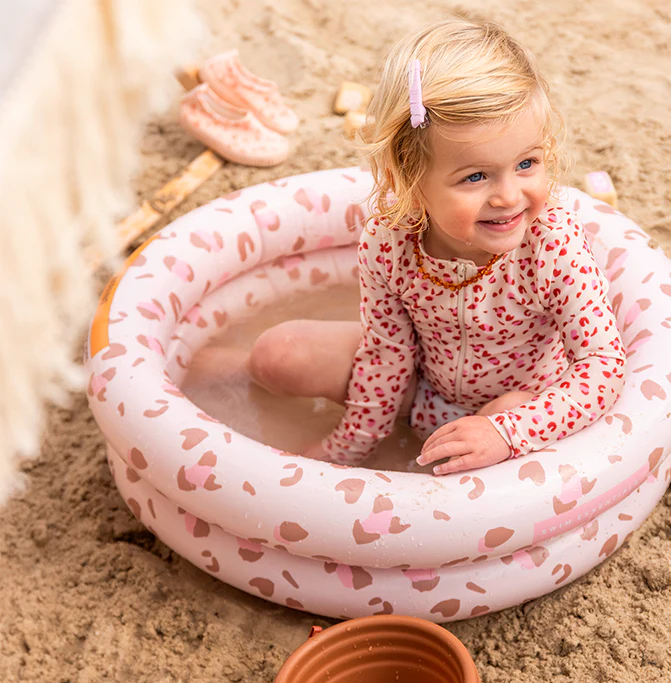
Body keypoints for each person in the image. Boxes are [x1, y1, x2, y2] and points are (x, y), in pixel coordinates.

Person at [247, 18, 627, 475]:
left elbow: (603, 364)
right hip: (423, 391)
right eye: (476, 176)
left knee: (507, 409)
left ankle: (477, 455)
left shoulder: (550, 244)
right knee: (279, 353)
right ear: (409, 180)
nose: (509, 196)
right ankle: (221, 364)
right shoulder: (390, 242)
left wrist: (508, 430)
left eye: (527, 163)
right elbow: (387, 353)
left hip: (516, 408)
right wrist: (353, 447)